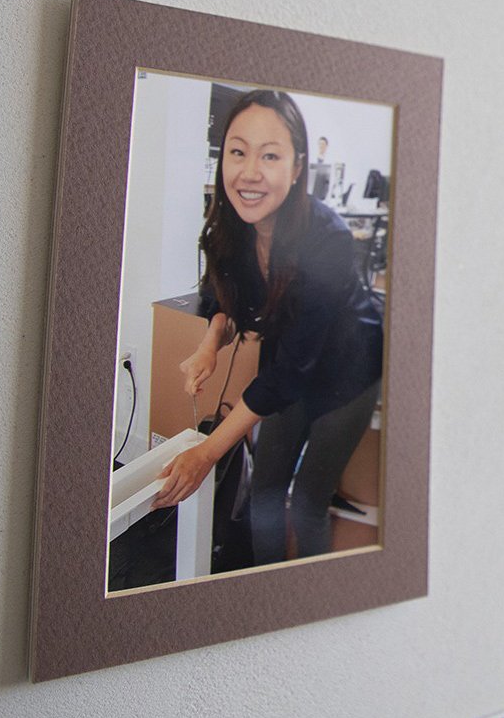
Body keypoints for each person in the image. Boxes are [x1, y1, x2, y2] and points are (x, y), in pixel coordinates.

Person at [151, 89, 384, 566]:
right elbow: (221, 294)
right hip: (287, 371)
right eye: (238, 152)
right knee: (264, 494)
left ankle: (306, 598)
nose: (250, 171)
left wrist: (208, 453)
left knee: (305, 503)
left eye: (270, 155)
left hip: (348, 375)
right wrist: (210, 345)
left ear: (297, 167)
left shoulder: (329, 240)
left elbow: (293, 370)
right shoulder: (231, 228)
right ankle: (264, 589)